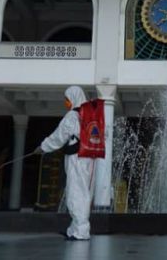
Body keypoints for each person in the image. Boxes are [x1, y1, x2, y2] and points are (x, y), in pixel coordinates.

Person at [36, 86, 95, 241]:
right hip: (88, 158)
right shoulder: (90, 115)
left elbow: (59, 136)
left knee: (76, 192)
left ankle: (81, 231)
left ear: (74, 98)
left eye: (67, 99)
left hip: (77, 158)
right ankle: (74, 229)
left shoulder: (72, 116)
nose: (66, 103)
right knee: (83, 191)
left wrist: (43, 147)